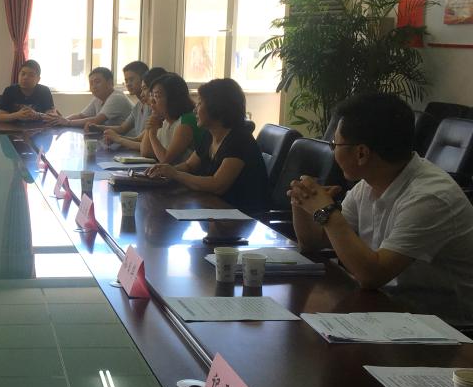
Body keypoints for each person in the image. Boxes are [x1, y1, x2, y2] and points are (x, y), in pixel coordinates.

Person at [290, 93, 473, 325]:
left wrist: (328, 212)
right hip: (390, 311)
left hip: (446, 328)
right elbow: (314, 243)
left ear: (361, 153)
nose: (333, 151)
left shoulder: (430, 197)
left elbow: (372, 275)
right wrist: (302, 201)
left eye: (335, 144)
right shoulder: (369, 183)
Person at [146, 79, 269, 213]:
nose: (195, 109)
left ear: (216, 107)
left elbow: (217, 185)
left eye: (200, 103)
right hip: (215, 209)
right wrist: (163, 171)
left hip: (244, 217)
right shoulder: (209, 135)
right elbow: (189, 165)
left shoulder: (239, 140)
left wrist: (175, 174)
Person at [139, 73, 202, 164]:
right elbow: (146, 152)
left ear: (173, 99)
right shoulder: (165, 121)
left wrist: (152, 135)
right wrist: (150, 127)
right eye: (151, 95)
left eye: (157, 96)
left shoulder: (186, 121)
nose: (152, 101)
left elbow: (165, 160)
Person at [46, 66, 131, 129]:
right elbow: (81, 116)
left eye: (97, 82)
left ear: (109, 83)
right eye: (91, 83)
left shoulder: (117, 97)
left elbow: (97, 120)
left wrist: (67, 122)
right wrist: (60, 120)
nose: (94, 86)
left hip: (128, 143)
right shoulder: (98, 99)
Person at [102, 66, 165, 150]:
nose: (128, 84)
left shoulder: (158, 112)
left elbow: (146, 149)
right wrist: (115, 138)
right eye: (126, 81)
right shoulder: (141, 106)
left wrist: (118, 139)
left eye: (131, 79)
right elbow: (138, 139)